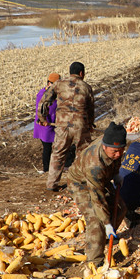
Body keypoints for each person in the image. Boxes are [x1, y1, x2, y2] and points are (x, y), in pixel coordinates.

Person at [66, 122, 127, 266]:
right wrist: (106, 222)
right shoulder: (94, 164)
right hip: (80, 183)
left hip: (102, 178)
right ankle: (95, 260)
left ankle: (106, 238)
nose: (118, 154)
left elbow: (116, 158)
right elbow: (97, 198)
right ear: (104, 147)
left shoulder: (112, 144)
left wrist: (116, 173)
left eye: (121, 150)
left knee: (121, 207)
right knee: (95, 218)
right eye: (114, 151)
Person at [38, 61, 94, 191]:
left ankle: (52, 184)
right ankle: (82, 182)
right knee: (83, 154)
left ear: (70, 72)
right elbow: (91, 109)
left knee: (58, 153)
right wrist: (90, 124)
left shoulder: (58, 84)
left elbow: (44, 101)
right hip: (80, 126)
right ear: (81, 73)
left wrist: (42, 118)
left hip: (62, 125)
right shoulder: (86, 87)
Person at [33, 73, 60, 173]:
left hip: (51, 123)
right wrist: (45, 121)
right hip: (44, 125)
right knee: (47, 148)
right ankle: (46, 170)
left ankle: (51, 168)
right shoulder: (43, 94)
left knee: (51, 147)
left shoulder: (53, 94)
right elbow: (42, 110)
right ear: (49, 83)